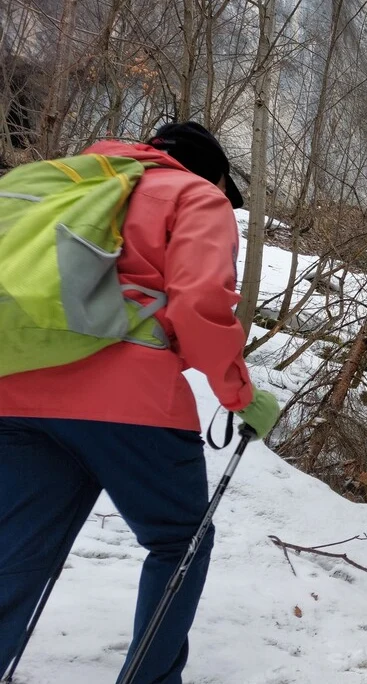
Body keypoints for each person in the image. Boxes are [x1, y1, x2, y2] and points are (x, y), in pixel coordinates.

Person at [0, 122, 280, 684]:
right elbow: (199, 303)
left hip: (16, 388)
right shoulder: (196, 196)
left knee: (18, 551)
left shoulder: (71, 182)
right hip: (130, 403)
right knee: (180, 540)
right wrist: (240, 394)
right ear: (214, 176)